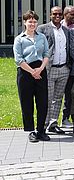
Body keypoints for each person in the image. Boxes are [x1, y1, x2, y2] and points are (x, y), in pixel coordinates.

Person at [13, 10, 50, 142]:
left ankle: (41, 130)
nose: (32, 23)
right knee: (27, 103)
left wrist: (39, 69)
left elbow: (46, 54)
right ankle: (31, 131)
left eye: (34, 21)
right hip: (25, 73)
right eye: (30, 21)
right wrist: (32, 72)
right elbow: (18, 59)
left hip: (41, 71)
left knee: (42, 102)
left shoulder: (42, 37)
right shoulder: (19, 39)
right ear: (24, 22)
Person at [37, 6, 71, 134]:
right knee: (47, 97)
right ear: (50, 15)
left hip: (63, 68)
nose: (57, 16)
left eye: (60, 14)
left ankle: (53, 123)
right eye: (55, 14)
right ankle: (43, 124)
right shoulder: (42, 29)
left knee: (58, 98)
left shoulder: (66, 30)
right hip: (49, 69)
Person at [61, 5, 74, 128]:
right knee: (55, 96)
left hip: (73, 68)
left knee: (70, 94)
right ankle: (50, 121)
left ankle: (66, 118)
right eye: (72, 14)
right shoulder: (59, 27)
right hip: (60, 66)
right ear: (65, 14)